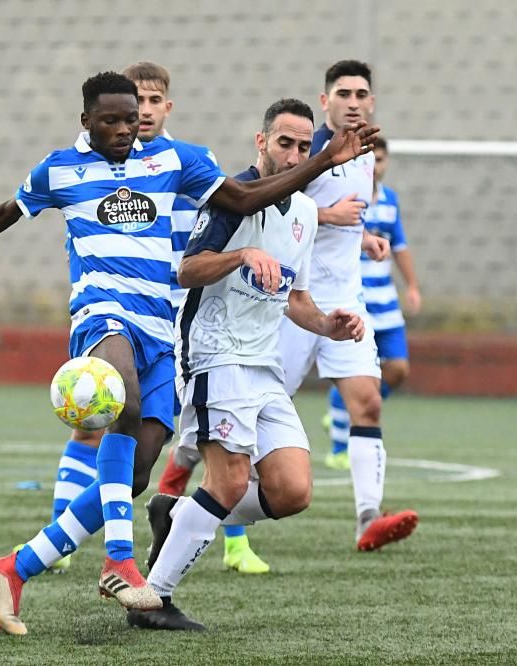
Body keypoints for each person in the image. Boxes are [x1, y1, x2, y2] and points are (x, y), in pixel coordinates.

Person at [0, 71, 377, 635]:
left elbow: (248, 195)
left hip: (160, 329)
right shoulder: (60, 168)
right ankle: (119, 561)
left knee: (136, 472)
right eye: (109, 120)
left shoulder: (175, 160)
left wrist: (323, 162)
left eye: (130, 120)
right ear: (85, 120)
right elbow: (3, 213)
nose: (121, 130)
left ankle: (13, 567)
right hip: (102, 315)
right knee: (122, 401)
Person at [129, 97, 365, 630]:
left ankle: (180, 513)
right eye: (285, 143)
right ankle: (152, 601)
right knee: (231, 481)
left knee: (292, 491)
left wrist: (331, 325)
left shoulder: (305, 213)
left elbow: (296, 299)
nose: (294, 154)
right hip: (215, 355)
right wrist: (239, 255)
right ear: (261, 142)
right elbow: (188, 270)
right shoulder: (231, 198)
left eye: (305, 146)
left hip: (265, 365)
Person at [42, 62, 268, 576]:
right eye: (132, 102)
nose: (139, 113)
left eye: (150, 101)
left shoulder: (187, 162)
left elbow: (222, 221)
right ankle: (81, 542)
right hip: (112, 308)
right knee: (97, 414)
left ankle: (228, 539)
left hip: (175, 314)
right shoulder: (85, 168)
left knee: (199, 437)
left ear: (166, 107)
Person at [276, 59, 418, 550]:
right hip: (295, 300)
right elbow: (270, 201)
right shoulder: (307, 147)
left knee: (369, 402)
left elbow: (341, 226)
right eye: (343, 94)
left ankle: (367, 519)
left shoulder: (366, 152)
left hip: (346, 300)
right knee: (261, 405)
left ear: (371, 102)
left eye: (361, 94)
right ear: (324, 101)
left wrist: (365, 241)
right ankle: (182, 487)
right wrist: (328, 214)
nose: (352, 102)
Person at [324, 135, 421, 471]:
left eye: (381, 160)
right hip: (357, 300)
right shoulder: (348, 198)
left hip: (386, 301)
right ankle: (339, 446)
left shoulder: (390, 200)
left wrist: (412, 286)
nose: (376, 166)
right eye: (371, 160)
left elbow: (400, 245)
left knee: (398, 369)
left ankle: (347, 408)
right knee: (353, 371)